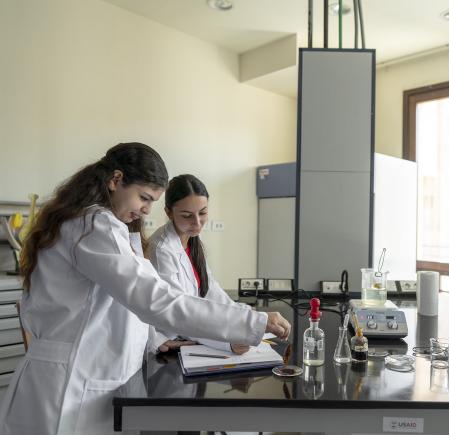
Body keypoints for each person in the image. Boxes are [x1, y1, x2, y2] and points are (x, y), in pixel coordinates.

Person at [0, 143, 290, 435]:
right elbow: (156, 301)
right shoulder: (94, 226)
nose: (146, 210)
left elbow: (126, 303)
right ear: (115, 181)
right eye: (144, 197)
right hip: (69, 386)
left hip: (94, 379)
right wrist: (254, 321)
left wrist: (153, 339)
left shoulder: (101, 226)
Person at [147, 174, 250, 355]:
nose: (197, 223)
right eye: (187, 215)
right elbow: (180, 313)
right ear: (169, 212)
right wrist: (226, 343)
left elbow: (211, 291)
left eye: (202, 213)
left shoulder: (191, 238)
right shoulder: (161, 249)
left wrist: (245, 319)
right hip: (171, 342)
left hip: (192, 336)